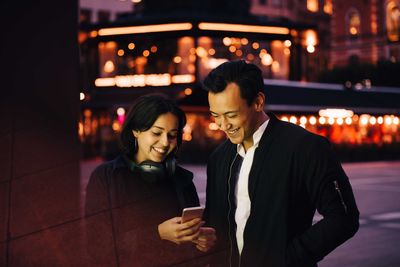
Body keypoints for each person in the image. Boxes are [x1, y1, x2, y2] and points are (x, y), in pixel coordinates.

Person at [202, 60, 359, 267]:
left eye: (231, 115)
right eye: (216, 115)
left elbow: (344, 218)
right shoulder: (218, 158)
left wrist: (287, 258)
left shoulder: (306, 148)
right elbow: (216, 225)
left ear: (258, 102)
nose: (222, 125)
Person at [85, 94, 215, 266]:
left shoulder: (182, 180)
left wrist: (203, 244)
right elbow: (97, 246)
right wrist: (157, 234)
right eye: (156, 132)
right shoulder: (106, 177)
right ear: (136, 131)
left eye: (172, 135)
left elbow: (192, 252)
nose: (165, 142)